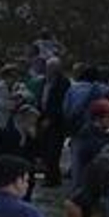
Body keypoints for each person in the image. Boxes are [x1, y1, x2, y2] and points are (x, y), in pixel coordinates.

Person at [34, 58, 69, 187]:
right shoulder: (44, 81)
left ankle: (53, 178)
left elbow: (62, 104)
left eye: (52, 68)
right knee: (44, 149)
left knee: (53, 151)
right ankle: (50, 176)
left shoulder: (63, 83)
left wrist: (51, 119)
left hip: (56, 122)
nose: (48, 71)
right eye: (48, 68)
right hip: (42, 117)